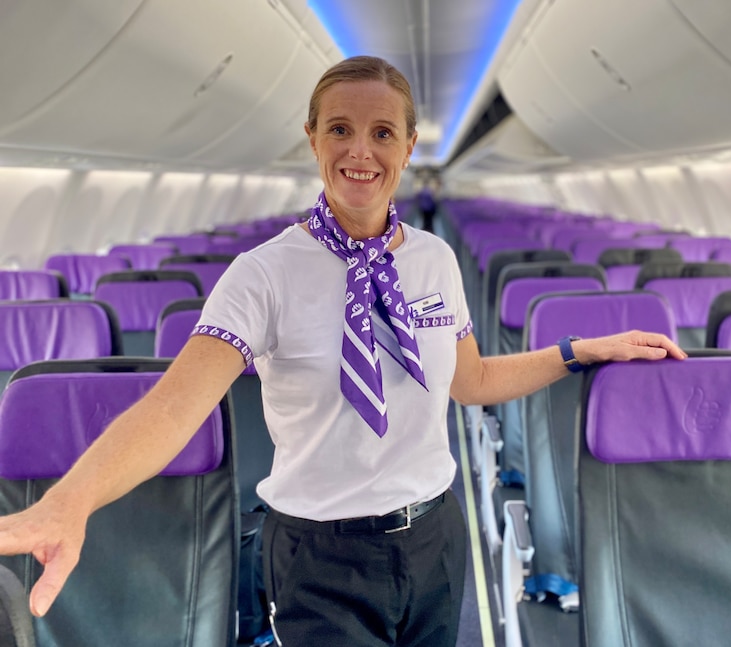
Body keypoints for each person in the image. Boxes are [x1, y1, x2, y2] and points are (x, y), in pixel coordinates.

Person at [0, 55, 686, 646]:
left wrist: (577, 350)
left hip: (435, 539)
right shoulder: (262, 274)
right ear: (312, 138)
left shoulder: (436, 261)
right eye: (340, 130)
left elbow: (470, 379)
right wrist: (70, 501)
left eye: (382, 133)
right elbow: (174, 409)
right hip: (318, 556)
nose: (361, 152)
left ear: (409, 146)